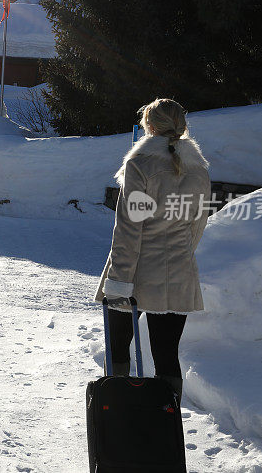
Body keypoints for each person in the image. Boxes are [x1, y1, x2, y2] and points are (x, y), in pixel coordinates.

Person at [95, 98, 210, 397]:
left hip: (135, 274)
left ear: (149, 126)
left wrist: (118, 280)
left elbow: (129, 228)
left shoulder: (140, 163)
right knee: (167, 356)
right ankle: (165, 424)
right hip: (179, 273)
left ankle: (117, 415)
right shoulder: (198, 169)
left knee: (119, 349)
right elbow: (198, 224)